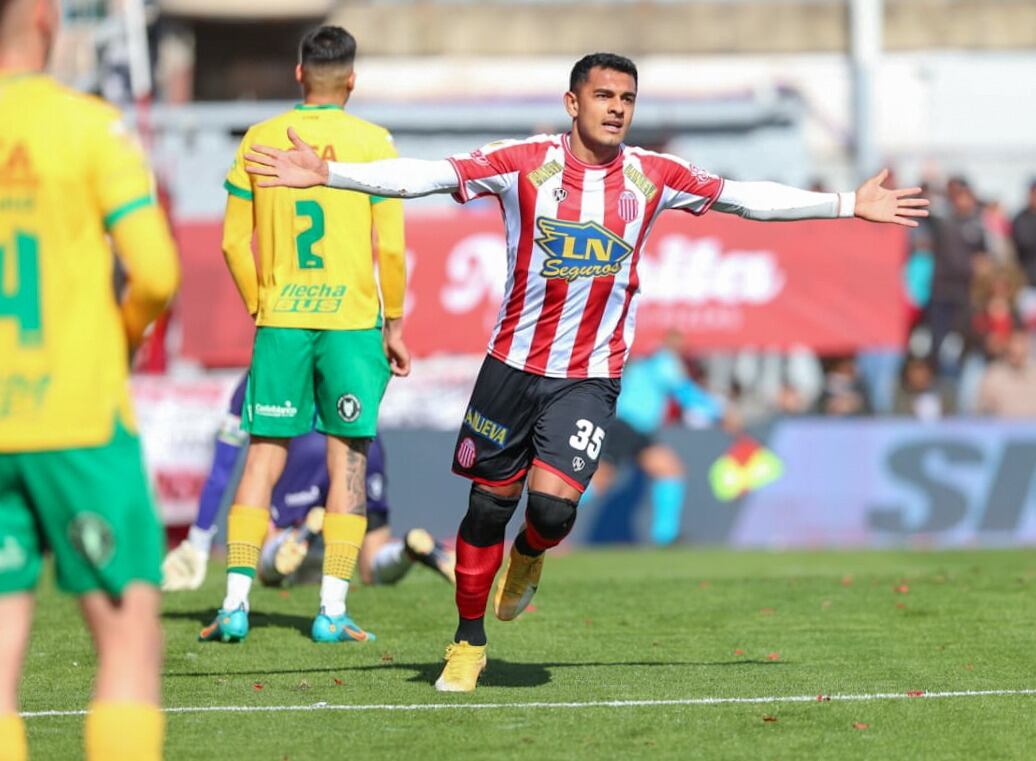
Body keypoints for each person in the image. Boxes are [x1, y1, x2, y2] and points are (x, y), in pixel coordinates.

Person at [244, 52, 928, 692]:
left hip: (589, 375)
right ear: (573, 103)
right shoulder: (522, 164)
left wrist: (846, 203)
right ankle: (468, 640)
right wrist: (332, 175)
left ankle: (531, 553)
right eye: (603, 95)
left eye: (627, 98)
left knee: (550, 508)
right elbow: (425, 174)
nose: (617, 107)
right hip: (510, 367)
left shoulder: (652, 175)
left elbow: (743, 197)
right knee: (487, 506)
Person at [0, 0, 179, 757]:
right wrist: (124, 336)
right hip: (76, 418)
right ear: (44, 18)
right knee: (129, 642)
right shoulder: (87, 127)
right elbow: (157, 273)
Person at [200, 25, 410, 647]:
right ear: (352, 80)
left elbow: (231, 242)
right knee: (350, 459)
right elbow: (390, 246)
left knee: (263, 455)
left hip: (283, 319)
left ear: (299, 74)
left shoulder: (259, 139)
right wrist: (395, 322)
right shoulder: (373, 142)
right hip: (350, 325)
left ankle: (234, 605)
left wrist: (261, 302)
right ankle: (331, 611)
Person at [162, 376, 454, 593]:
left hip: (304, 450)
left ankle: (298, 534)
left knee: (268, 564)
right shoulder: (342, 344)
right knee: (370, 565)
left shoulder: (267, 360)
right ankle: (408, 550)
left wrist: (198, 541)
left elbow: (222, 467)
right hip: (363, 443)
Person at [589, 333, 727, 546]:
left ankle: (665, 535)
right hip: (625, 427)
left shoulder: (650, 361)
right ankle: (547, 518)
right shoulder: (664, 361)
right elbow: (686, 393)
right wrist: (721, 412)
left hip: (639, 430)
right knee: (599, 481)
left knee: (670, 471)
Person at [976, 330, 1036, 417]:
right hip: (1001, 424)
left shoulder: (1033, 373)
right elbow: (981, 410)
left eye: (1021, 344)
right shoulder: (994, 375)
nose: (1017, 350)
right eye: (1013, 345)